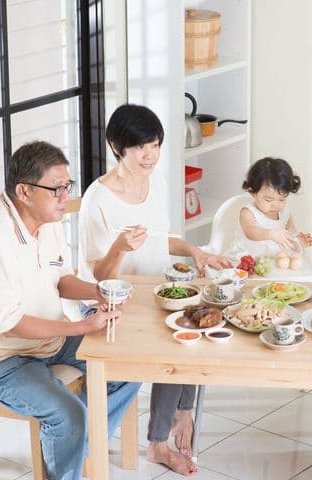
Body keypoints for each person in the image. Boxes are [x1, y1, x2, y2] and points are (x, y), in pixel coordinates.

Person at [0, 141, 139, 480]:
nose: (65, 197)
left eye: (67, 186)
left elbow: (61, 279)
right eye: (56, 189)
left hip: (45, 340)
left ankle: (77, 449)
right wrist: (82, 328)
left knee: (128, 367)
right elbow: (9, 325)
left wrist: (97, 292)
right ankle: (70, 449)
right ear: (24, 191)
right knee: (68, 416)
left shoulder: (48, 220)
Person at [77, 103, 230, 476]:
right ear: (117, 146)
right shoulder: (98, 198)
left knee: (199, 324)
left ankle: (181, 411)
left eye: (156, 145)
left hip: (155, 292)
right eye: (141, 147)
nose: (150, 156)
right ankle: (160, 441)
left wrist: (196, 251)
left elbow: (162, 241)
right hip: (112, 303)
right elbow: (98, 276)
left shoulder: (157, 180)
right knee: (176, 338)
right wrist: (119, 248)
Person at [227, 157, 312, 261]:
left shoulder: (285, 212)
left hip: (273, 260)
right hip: (247, 260)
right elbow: (251, 233)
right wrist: (272, 234)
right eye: (269, 200)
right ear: (252, 192)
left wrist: (298, 241)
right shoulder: (248, 213)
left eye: (282, 199)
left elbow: (290, 235)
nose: (276, 205)